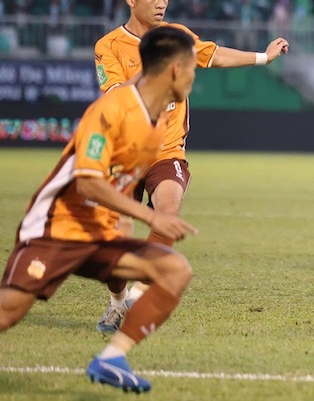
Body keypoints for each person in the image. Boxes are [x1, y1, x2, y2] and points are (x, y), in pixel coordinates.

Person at [93, 0, 288, 333]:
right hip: (123, 155)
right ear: (131, 0)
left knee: (169, 209)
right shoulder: (109, 46)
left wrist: (263, 56)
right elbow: (116, 95)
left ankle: (134, 298)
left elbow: (212, 54)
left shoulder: (177, 34)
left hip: (166, 152)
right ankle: (117, 301)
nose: (161, 3)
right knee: (114, 252)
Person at [0, 26, 199, 392]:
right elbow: (87, 180)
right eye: (192, 67)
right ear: (174, 69)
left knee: (174, 270)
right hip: (57, 227)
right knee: (9, 312)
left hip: (98, 234)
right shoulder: (112, 109)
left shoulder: (158, 125)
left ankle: (111, 359)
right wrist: (151, 216)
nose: (194, 76)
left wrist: (123, 223)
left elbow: (117, 184)